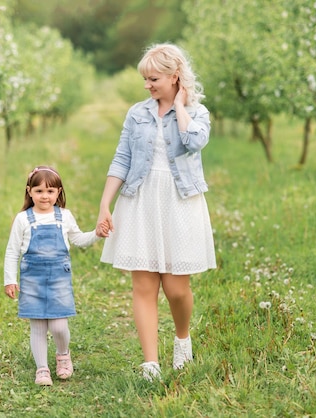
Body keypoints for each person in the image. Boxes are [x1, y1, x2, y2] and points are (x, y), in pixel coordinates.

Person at [95, 43, 217, 381]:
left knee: (177, 288)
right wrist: (105, 204)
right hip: (140, 199)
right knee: (143, 286)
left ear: (174, 76)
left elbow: (194, 142)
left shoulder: (198, 112)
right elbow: (122, 158)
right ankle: (150, 364)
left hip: (180, 201)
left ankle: (182, 339)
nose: (147, 86)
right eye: (145, 80)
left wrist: (179, 106)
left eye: (153, 79)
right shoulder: (137, 113)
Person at [4, 166, 101, 386]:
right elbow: (12, 251)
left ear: (58, 192)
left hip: (58, 278)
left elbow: (78, 239)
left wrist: (96, 234)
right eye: (39, 191)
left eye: (50, 191)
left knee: (58, 326)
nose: (44, 196)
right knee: (37, 325)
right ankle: (42, 369)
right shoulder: (23, 219)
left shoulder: (64, 216)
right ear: (29, 192)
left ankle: (63, 354)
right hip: (32, 279)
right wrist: (10, 279)